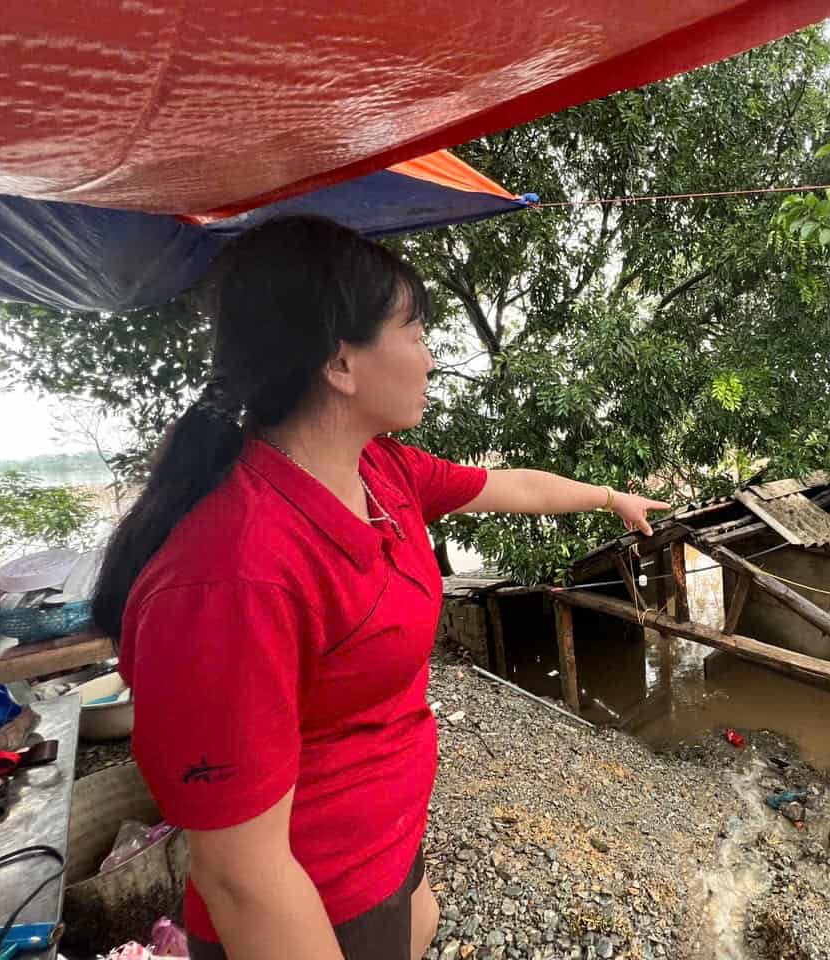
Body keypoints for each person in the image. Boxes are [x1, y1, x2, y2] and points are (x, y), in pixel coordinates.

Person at [92, 217, 669, 960]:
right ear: (340, 360)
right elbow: (243, 879)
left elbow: (511, 484)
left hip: (383, 857)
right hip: (309, 910)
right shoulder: (231, 579)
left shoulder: (382, 473)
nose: (430, 359)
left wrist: (607, 497)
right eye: (418, 333)